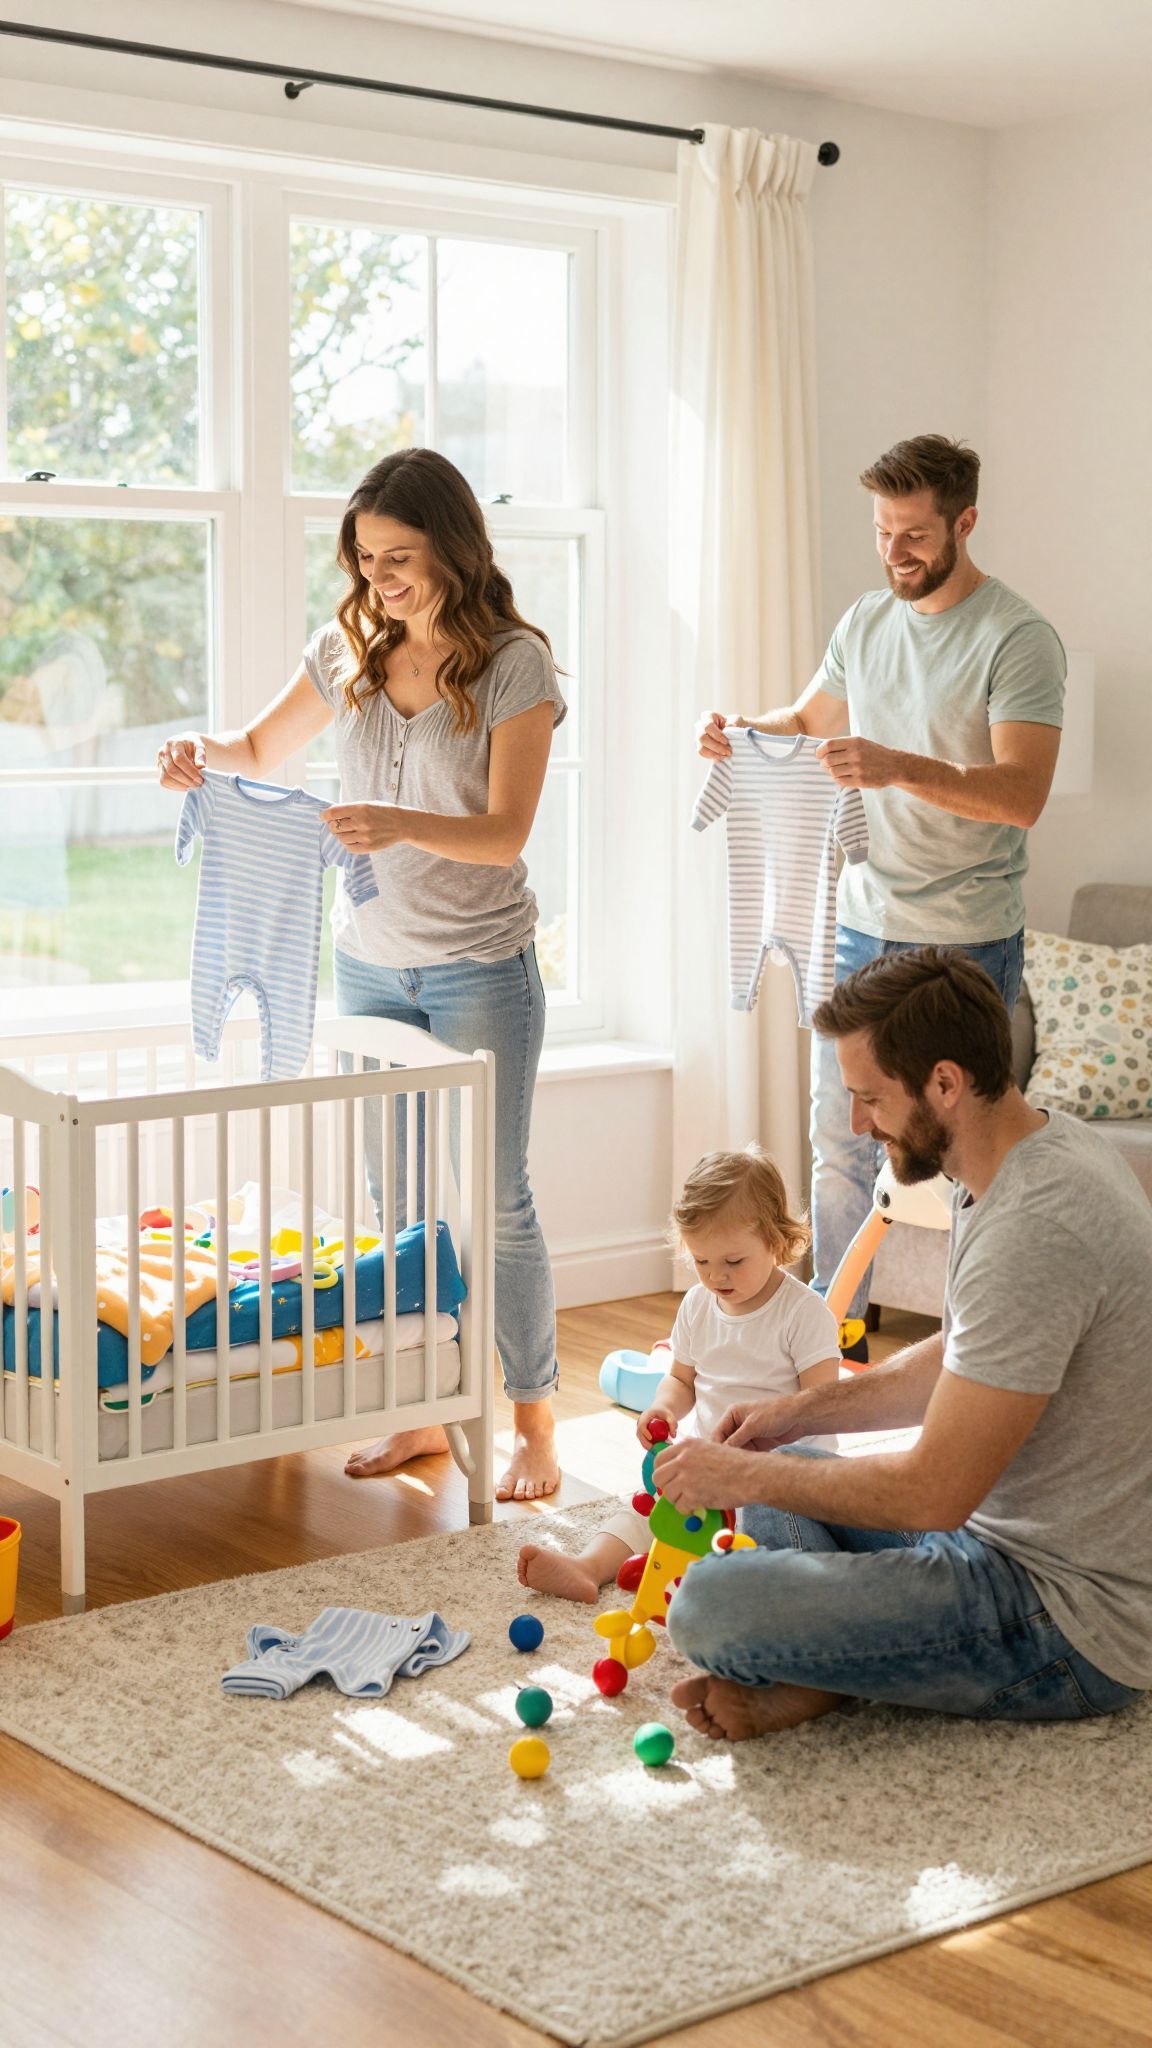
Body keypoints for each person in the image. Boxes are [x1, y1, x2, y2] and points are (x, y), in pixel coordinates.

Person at [157, 447, 564, 1502]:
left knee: (497, 1198)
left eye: (401, 557)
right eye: (367, 558)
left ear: (455, 548)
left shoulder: (514, 664)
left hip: (479, 966)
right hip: (370, 966)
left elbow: (506, 833)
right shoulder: (347, 648)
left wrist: (393, 822)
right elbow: (257, 741)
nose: (381, 578)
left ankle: (532, 1423)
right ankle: (428, 1410)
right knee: (398, 1201)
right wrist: (199, 753)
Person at [652, 949, 1152, 1741]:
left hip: (1065, 1617)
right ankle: (846, 1661)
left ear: (944, 1084)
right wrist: (797, 1416)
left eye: (870, 1098)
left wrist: (746, 1470)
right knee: (772, 1480)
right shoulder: (1022, 1162)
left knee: (712, 1604)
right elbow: (964, 1350)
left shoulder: (1036, 1226)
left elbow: (932, 1493)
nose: (857, 1123)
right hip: (990, 1538)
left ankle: (836, 1662)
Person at [697, 435, 1066, 1340]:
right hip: (862, 928)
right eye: (881, 532)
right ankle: (834, 1341)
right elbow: (805, 722)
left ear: (964, 524)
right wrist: (742, 733)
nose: (895, 553)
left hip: (967, 939)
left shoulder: (1018, 638)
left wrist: (897, 766)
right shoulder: (864, 623)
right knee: (841, 1143)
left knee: (970, 1157)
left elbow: (1021, 796)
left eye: (913, 535)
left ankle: (982, 1343)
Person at [517, 1146, 839, 1602]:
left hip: (782, 1479)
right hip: (708, 1471)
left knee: (761, 1539)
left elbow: (823, 1407)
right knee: (646, 1512)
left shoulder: (803, 1313)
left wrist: (760, 1464)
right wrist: (664, 1409)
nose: (715, 1276)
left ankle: (730, 1581)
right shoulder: (697, 1305)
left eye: (733, 1262)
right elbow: (682, 1380)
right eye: (702, 1261)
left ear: (775, 1239)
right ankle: (587, 1567)